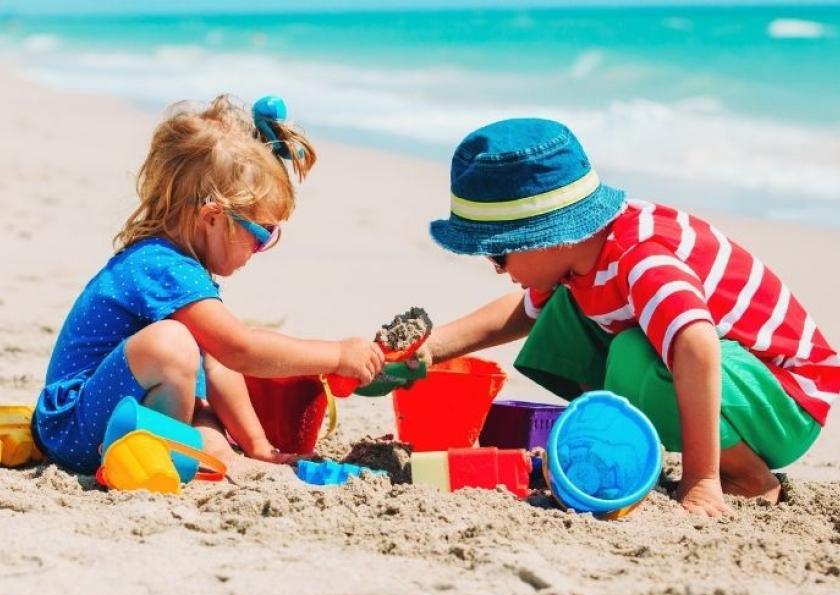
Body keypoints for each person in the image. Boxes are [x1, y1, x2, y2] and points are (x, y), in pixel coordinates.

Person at [423, 118, 838, 516]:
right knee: (563, 314)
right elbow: (522, 312)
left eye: (498, 253)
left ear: (546, 236)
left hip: (786, 401)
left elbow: (697, 345)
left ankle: (747, 477)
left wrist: (700, 478)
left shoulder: (639, 257)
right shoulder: (581, 258)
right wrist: (429, 349)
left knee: (632, 353)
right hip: (736, 389)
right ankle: (607, 434)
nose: (497, 268)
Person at [33, 94, 384, 476]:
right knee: (173, 344)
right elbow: (239, 349)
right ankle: (164, 455)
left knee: (210, 422)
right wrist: (337, 354)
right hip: (75, 430)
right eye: (261, 235)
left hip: (118, 409)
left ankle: (220, 458)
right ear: (212, 217)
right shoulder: (161, 266)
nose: (261, 249)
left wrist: (258, 447)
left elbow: (220, 364)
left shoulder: (184, 268)